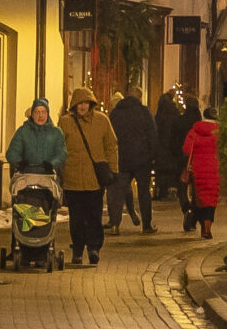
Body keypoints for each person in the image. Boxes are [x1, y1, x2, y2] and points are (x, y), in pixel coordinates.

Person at [59, 87, 119, 267]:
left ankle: (94, 248)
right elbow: (59, 147)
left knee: (94, 216)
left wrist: (113, 169)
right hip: (73, 178)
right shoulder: (65, 122)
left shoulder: (102, 121)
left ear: (91, 104)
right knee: (76, 217)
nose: (82, 106)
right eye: (79, 103)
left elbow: (111, 146)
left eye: (85, 103)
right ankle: (77, 250)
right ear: (74, 105)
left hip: (95, 179)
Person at [109, 87, 157, 232]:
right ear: (140, 98)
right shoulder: (144, 112)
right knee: (143, 192)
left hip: (122, 158)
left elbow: (110, 135)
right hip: (142, 159)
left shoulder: (116, 113)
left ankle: (115, 224)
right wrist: (152, 156)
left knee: (118, 192)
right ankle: (146, 225)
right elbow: (152, 135)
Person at [181, 102, 222, 239]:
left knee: (199, 199)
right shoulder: (219, 132)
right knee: (211, 199)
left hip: (197, 170)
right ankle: (207, 227)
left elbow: (186, 149)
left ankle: (198, 222)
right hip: (214, 170)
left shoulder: (195, 130)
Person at [6, 97, 65, 178]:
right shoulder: (23, 131)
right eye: (37, 112)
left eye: (43, 112)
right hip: (26, 178)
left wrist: (52, 164)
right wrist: (19, 163)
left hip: (50, 177)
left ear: (47, 114)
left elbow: (61, 153)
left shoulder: (56, 133)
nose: (40, 115)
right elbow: (12, 153)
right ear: (32, 114)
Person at [153, 88, 191, 201]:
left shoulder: (158, 116)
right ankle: (174, 190)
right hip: (172, 148)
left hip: (161, 147)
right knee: (172, 169)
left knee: (161, 170)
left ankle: (162, 191)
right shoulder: (175, 114)